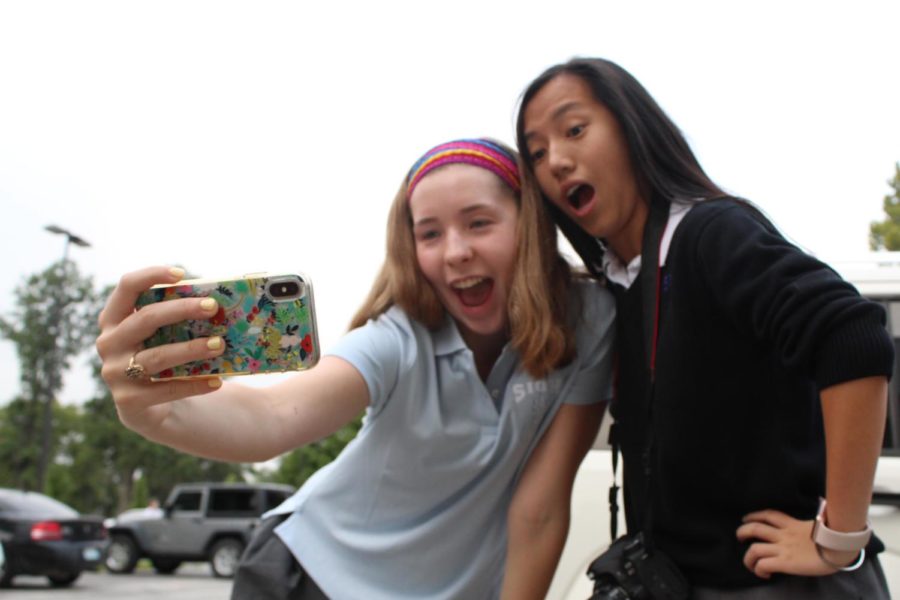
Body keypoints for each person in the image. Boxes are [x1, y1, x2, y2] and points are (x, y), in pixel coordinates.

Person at [95, 138, 616, 600]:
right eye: (429, 233)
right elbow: (274, 418)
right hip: (307, 573)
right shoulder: (399, 336)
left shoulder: (589, 319)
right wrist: (161, 414)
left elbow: (541, 509)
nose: (456, 251)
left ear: (530, 226)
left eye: (479, 222)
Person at [515, 58, 894, 598]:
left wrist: (838, 536)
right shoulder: (622, 284)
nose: (556, 160)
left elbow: (853, 337)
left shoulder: (707, 234)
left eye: (574, 129)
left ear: (633, 128)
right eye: (536, 153)